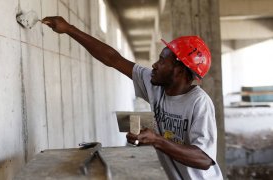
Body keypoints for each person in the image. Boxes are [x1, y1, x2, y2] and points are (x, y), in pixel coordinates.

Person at [42, 16, 223, 180]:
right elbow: (113, 59)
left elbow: (204, 159)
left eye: (161, 61)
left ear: (179, 70)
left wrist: (157, 140)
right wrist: (69, 29)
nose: (154, 65)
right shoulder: (155, 85)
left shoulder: (199, 103)